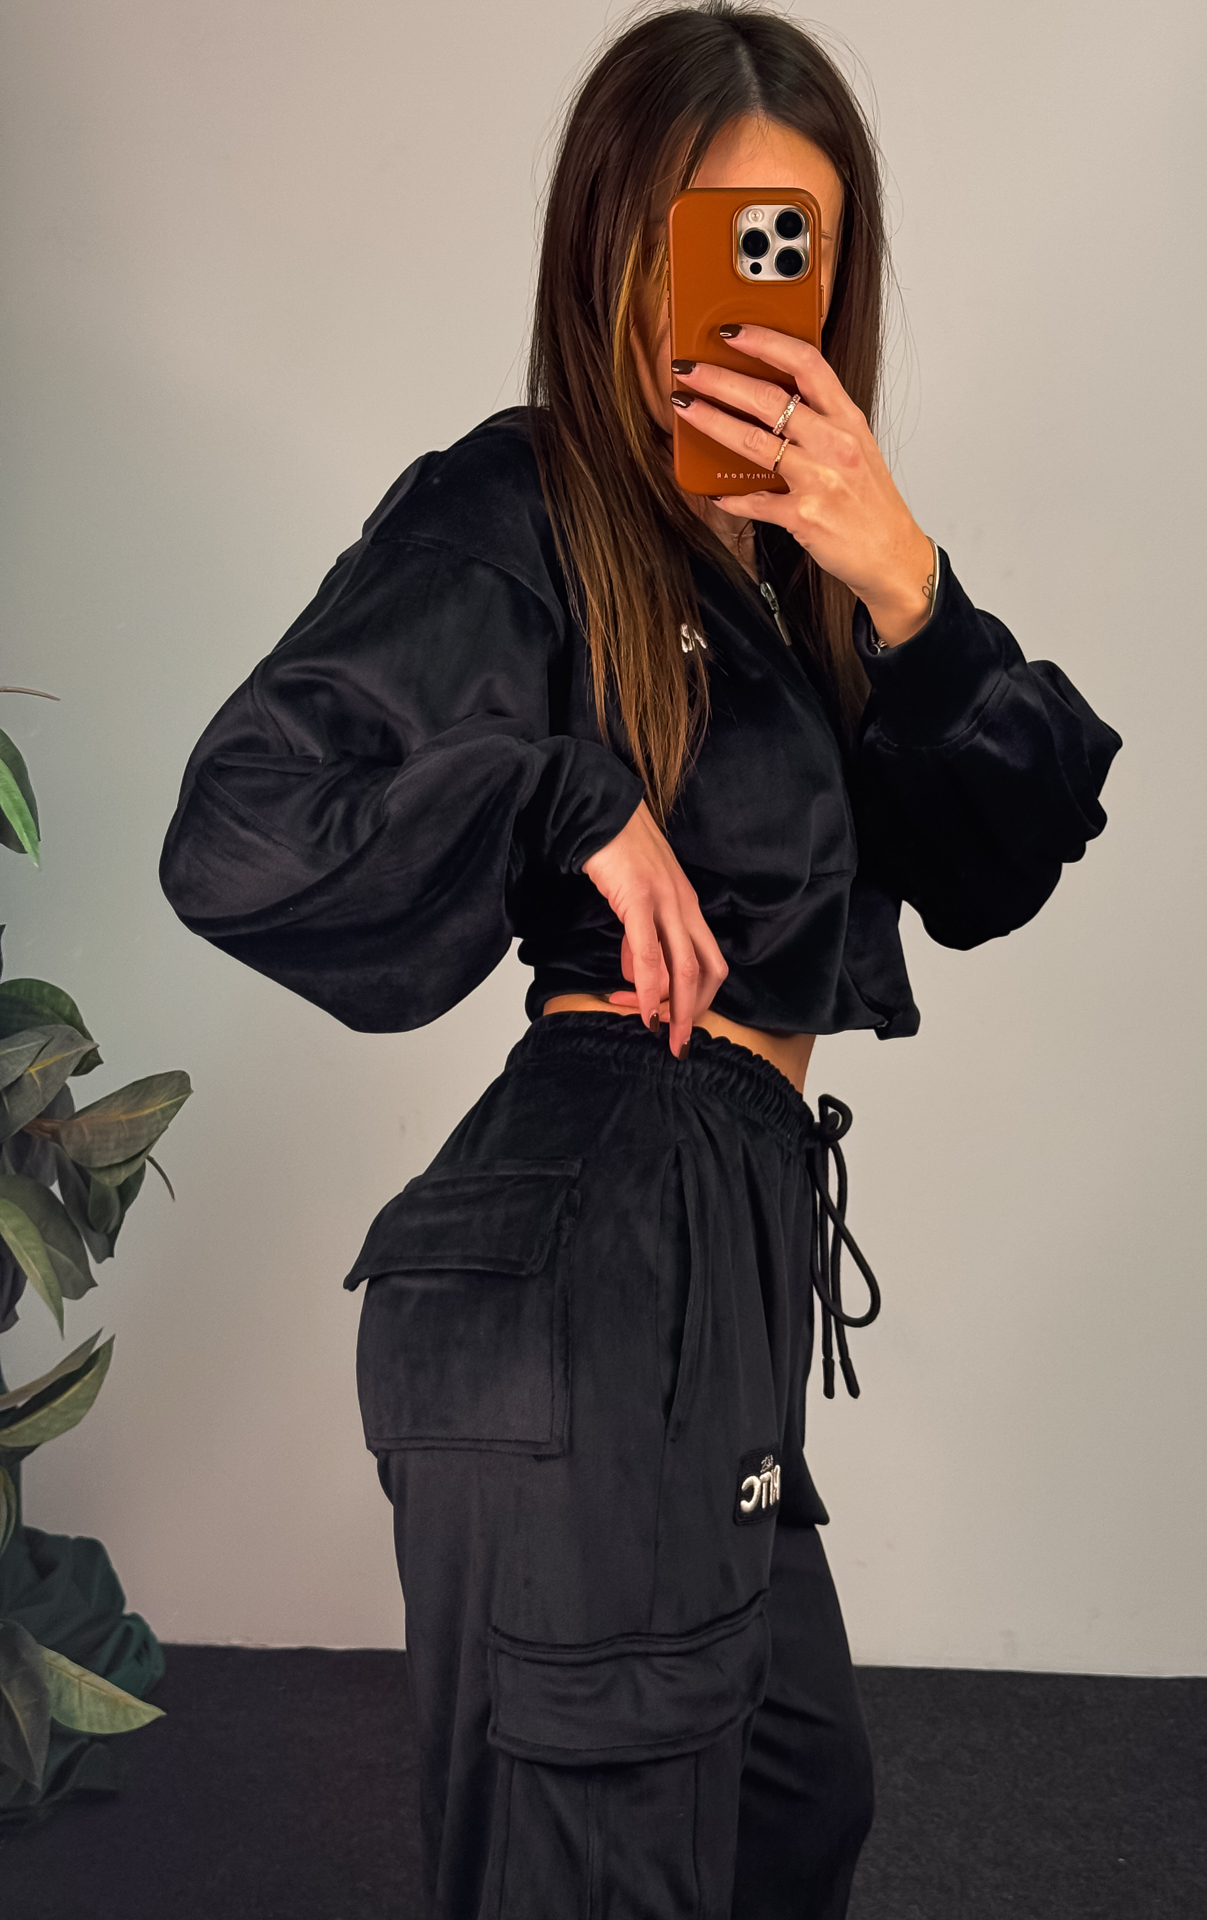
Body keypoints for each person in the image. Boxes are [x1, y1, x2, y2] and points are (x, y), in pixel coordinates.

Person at [159, 6, 1120, 1914]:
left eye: (801, 246)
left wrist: (907, 582)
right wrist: (557, 793)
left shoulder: (805, 570)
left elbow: (1004, 858)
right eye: (720, 237)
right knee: (608, 1871)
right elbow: (239, 828)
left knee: (788, 1806)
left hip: (715, 1253)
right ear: (620, 242)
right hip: (599, 1247)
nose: (760, 293)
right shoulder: (518, 504)